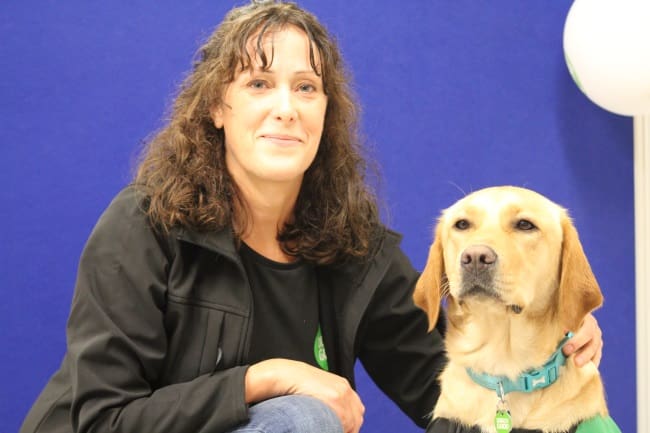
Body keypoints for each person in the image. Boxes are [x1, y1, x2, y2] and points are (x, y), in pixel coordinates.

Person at [20, 2, 604, 433]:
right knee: (303, 416)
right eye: (258, 83)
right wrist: (266, 378)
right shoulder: (144, 226)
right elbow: (99, 420)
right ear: (218, 107)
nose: (285, 108)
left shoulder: (354, 248)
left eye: (306, 87)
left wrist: (544, 342)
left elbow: (452, 388)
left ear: (327, 111)